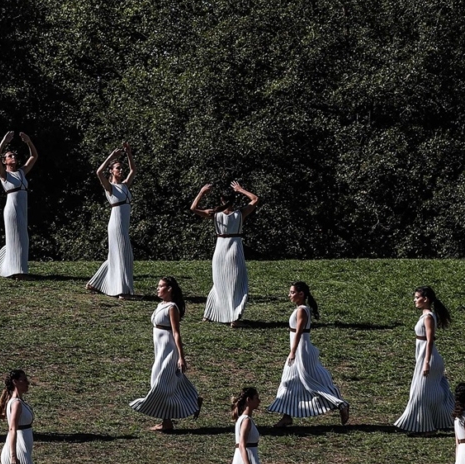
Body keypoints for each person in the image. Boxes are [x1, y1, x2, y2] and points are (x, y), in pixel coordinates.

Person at [268, 282, 350, 427]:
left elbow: (298, 332)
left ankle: (341, 404)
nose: (289, 295)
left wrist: (293, 352)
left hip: (301, 351)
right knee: (289, 382)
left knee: (310, 382)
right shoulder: (301, 309)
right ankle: (286, 416)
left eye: (292, 292)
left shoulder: (302, 310)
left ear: (301, 294)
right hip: (299, 349)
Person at [130, 277, 202, 431]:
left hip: (169, 352)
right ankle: (176, 415)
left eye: (160, 286)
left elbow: (176, 333)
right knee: (167, 383)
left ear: (169, 289)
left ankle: (170, 419)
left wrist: (181, 357)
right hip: (160, 351)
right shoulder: (160, 305)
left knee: (162, 385)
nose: (157, 288)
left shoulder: (172, 308)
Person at [191, 181, 259, 326]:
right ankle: (234, 318)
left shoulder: (214, 214)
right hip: (234, 249)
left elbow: (193, 208)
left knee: (218, 283)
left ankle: (209, 315)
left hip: (219, 250)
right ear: (233, 200)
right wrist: (240, 189)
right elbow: (255, 199)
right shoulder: (240, 214)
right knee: (237, 285)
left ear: (221, 199)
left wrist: (202, 192)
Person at [394, 286, 454, 433]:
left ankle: (422, 426)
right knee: (432, 392)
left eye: (417, 297)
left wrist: (426, 362)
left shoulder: (428, 317)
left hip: (428, 358)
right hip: (426, 358)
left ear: (425, 299)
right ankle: (440, 421)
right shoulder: (426, 316)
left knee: (419, 393)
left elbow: (430, 340)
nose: (415, 300)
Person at [0, 131, 37, 278]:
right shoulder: (4, 175)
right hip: (12, 209)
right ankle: (18, 271)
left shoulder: (21, 172)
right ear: (4, 161)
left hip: (22, 208)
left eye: (14, 155)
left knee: (21, 238)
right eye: (9, 156)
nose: (13, 157)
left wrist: (28, 141)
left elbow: (34, 156)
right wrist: (4, 140)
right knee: (18, 238)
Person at [85, 145, 135, 297]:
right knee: (123, 254)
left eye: (121, 168)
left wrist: (129, 154)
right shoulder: (110, 187)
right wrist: (111, 156)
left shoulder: (125, 185)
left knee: (116, 254)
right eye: (117, 168)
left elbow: (134, 171)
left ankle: (95, 283)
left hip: (123, 224)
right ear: (112, 171)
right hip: (116, 224)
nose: (121, 170)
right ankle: (122, 290)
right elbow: (98, 172)